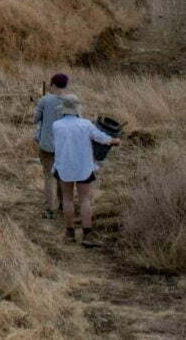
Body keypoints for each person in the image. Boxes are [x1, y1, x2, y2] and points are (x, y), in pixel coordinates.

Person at [52, 94, 120, 248]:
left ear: (64, 109)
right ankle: (87, 235)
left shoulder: (56, 125)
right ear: (77, 109)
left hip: (64, 166)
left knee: (67, 199)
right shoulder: (86, 124)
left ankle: (69, 234)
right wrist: (115, 140)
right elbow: (101, 138)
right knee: (84, 200)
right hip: (83, 166)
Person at [33, 73, 70, 218]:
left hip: (47, 145)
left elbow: (35, 119)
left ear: (53, 84)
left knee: (49, 177)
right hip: (65, 145)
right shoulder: (70, 101)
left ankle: (49, 209)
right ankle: (63, 204)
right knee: (62, 176)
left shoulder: (44, 100)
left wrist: (39, 109)